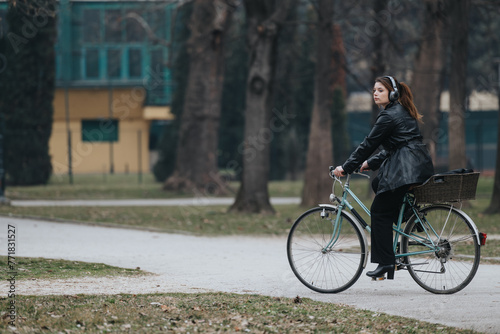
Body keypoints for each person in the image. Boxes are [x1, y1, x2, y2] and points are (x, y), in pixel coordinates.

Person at [333, 76, 434, 280]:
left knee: (379, 211)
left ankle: (386, 262)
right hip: (415, 166)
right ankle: (409, 218)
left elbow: (368, 144)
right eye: (374, 90)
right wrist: (369, 164)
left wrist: (346, 167)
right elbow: (394, 145)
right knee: (378, 183)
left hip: (406, 169)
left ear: (393, 93)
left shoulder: (389, 116)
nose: (376, 93)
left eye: (380, 90)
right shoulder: (400, 111)